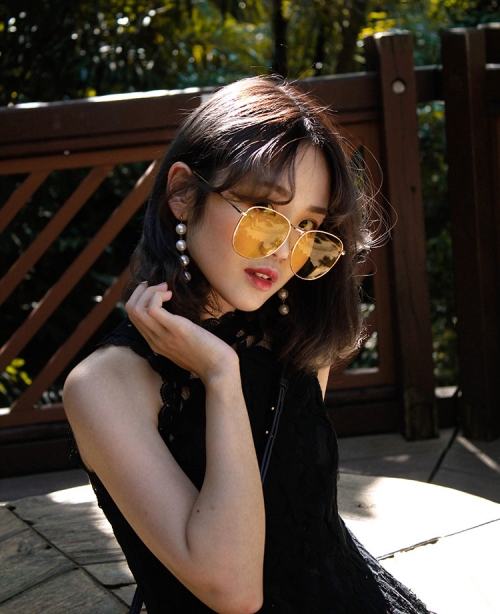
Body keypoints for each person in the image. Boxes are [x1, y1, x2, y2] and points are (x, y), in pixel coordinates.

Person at [64, 76, 433, 614]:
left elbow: (303, 524)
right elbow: (233, 590)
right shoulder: (104, 386)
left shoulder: (298, 338)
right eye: (264, 213)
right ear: (183, 194)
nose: (285, 250)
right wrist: (220, 375)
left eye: (308, 225)